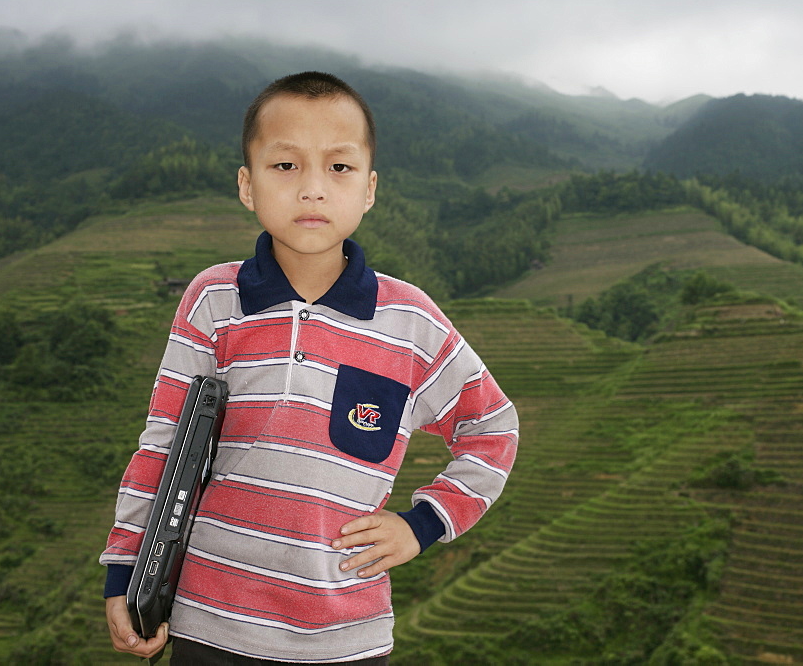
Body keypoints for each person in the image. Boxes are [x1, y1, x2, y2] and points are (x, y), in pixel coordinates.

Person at [101, 71, 518, 664]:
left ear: (370, 189)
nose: (313, 189)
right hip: (210, 625)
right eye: (286, 166)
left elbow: (493, 429)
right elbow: (162, 444)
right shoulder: (214, 301)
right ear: (248, 185)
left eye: (339, 168)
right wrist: (123, 572)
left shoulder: (412, 323)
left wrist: (422, 525)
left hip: (347, 637)